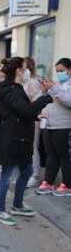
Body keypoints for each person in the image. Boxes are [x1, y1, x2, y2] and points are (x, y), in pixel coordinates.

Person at [0, 57, 52, 226]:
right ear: (19, 71)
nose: (27, 71)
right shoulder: (12, 90)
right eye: (25, 68)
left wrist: (36, 114)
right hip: (12, 140)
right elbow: (24, 110)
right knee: (6, 176)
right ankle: (0, 210)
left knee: (26, 172)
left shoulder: (15, 89)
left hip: (21, 139)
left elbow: (19, 112)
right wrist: (45, 96)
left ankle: (17, 205)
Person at [35, 58, 71, 197]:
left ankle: (67, 185)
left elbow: (68, 101)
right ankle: (48, 183)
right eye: (57, 71)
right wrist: (44, 91)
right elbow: (41, 100)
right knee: (51, 155)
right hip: (48, 125)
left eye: (62, 71)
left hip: (63, 125)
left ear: (69, 70)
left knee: (64, 156)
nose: (59, 73)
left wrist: (54, 88)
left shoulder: (64, 85)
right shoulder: (56, 84)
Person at [24, 57, 43, 188]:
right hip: (25, 117)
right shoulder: (25, 81)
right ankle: (26, 174)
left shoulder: (33, 81)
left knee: (33, 147)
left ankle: (35, 175)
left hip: (33, 118)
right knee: (26, 147)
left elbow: (36, 101)